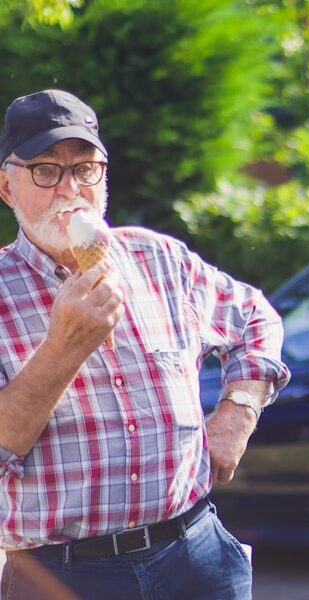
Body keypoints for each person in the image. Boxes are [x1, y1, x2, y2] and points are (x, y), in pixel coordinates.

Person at [0, 89, 289, 599]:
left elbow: (254, 317)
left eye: (85, 169)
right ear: (7, 186)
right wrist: (63, 346)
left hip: (195, 551)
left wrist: (237, 413)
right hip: (61, 573)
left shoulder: (157, 258)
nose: (70, 189)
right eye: (45, 171)